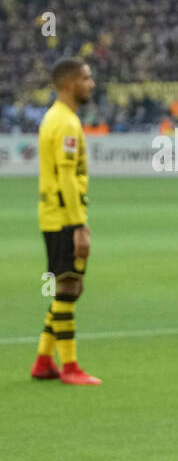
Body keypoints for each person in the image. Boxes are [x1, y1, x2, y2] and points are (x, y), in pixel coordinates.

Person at [31, 58, 101, 387]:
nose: (92, 83)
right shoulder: (66, 124)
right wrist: (79, 227)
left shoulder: (57, 119)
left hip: (54, 216)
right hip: (63, 219)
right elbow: (68, 179)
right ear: (71, 83)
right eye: (87, 78)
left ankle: (44, 360)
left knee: (64, 286)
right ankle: (70, 366)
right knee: (69, 286)